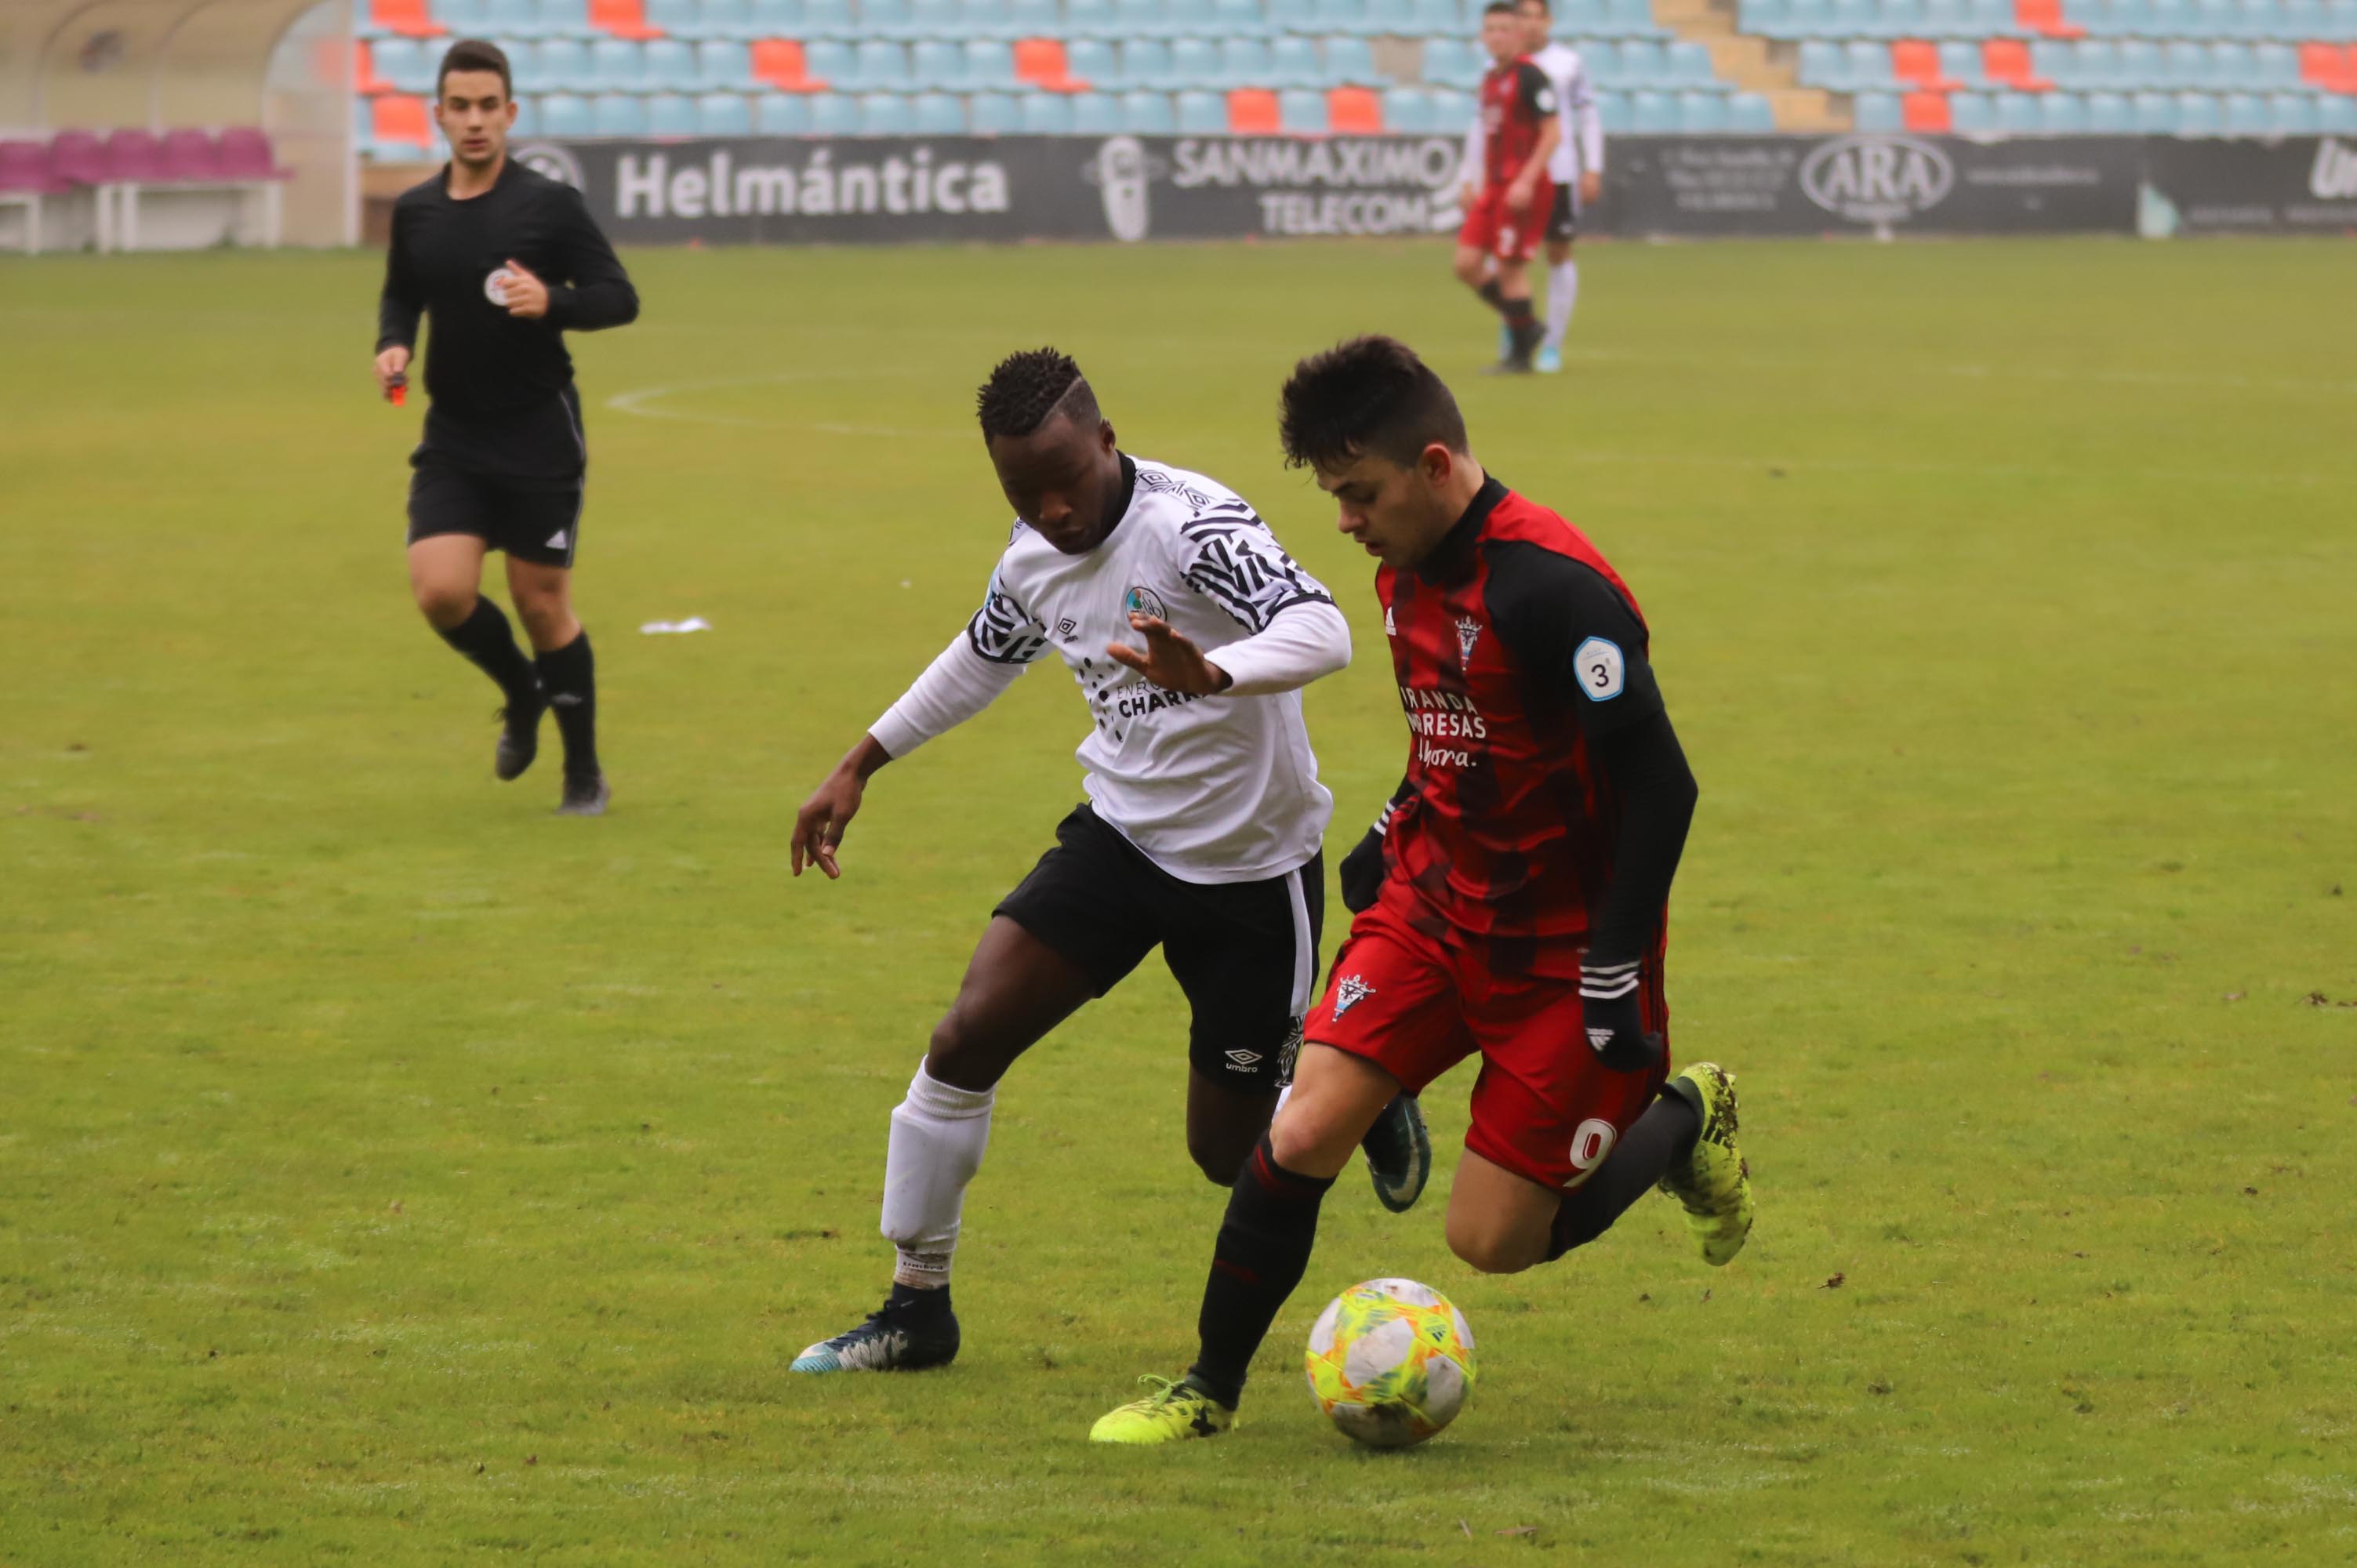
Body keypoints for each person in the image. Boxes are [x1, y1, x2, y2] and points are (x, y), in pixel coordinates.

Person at [1088, 336, 1752, 1446]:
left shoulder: (1557, 593)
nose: (1344, 520)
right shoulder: (1403, 570)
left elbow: (1663, 786)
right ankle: (1204, 1389)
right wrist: (1391, 826)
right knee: (1299, 1132)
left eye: (1359, 493)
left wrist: (1614, 961)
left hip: (1564, 948)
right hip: (1434, 912)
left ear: (1434, 464)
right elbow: (1463, 735)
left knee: (1492, 1240)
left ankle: (1683, 1120)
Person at [786, 348, 1433, 1375]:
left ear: (1104, 442)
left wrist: (1214, 670)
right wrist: (862, 760)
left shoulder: (1193, 528)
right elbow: (982, 655)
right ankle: (916, 1307)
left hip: (1250, 874)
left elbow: (1322, 628)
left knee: (1227, 1156)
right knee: (963, 1037)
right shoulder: (1033, 552)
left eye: (1065, 483)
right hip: (1121, 843)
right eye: (1022, 494)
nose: (1051, 510)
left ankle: (1361, 1091)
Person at [374, 39, 639, 816]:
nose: (475, 120)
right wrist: (392, 345)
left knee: (541, 602)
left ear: (511, 113)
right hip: (454, 436)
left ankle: (583, 771)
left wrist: (552, 302)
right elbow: (401, 296)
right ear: (439, 116)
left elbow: (618, 297)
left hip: (537, 434)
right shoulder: (417, 210)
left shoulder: (547, 206)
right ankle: (522, 692)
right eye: (460, 106)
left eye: (489, 105)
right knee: (441, 592)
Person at [1454, 2, 1560, 375]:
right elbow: (1486, 138)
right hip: (1495, 186)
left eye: (1505, 29)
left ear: (1518, 34)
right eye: (1491, 29)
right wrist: (1471, 179)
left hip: (1522, 186)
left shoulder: (1531, 77)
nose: (1497, 36)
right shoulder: (1490, 80)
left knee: (1510, 268)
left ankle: (1519, 355)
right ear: (1483, 36)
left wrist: (1528, 180)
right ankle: (1527, 326)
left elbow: (1553, 132)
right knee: (1466, 264)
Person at [1520, 0, 1605, 373]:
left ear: (1549, 21)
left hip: (1559, 172)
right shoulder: (1501, 65)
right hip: (1511, 176)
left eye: (1539, 17)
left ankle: (1552, 344)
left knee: (1558, 253)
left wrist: (1593, 167)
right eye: (1525, 16)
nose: (1533, 24)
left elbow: (1588, 116)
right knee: (1505, 259)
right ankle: (1517, 328)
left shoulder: (1568, 63)